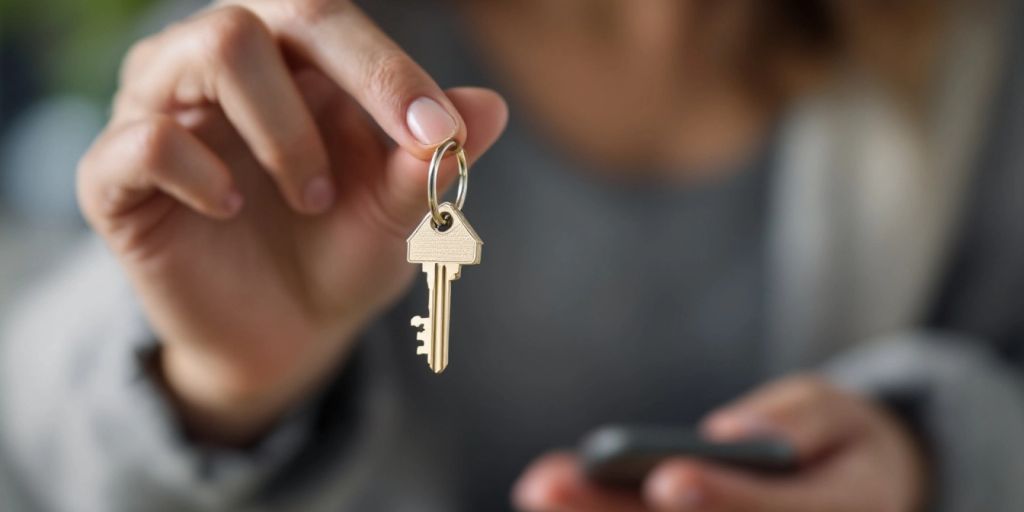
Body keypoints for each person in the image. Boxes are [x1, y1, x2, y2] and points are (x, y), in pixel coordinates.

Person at [3, 0, 1024, 510]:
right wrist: (223, 383)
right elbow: (34, 428)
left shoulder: (976, 57)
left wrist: (924, 451)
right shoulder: (287, 42)